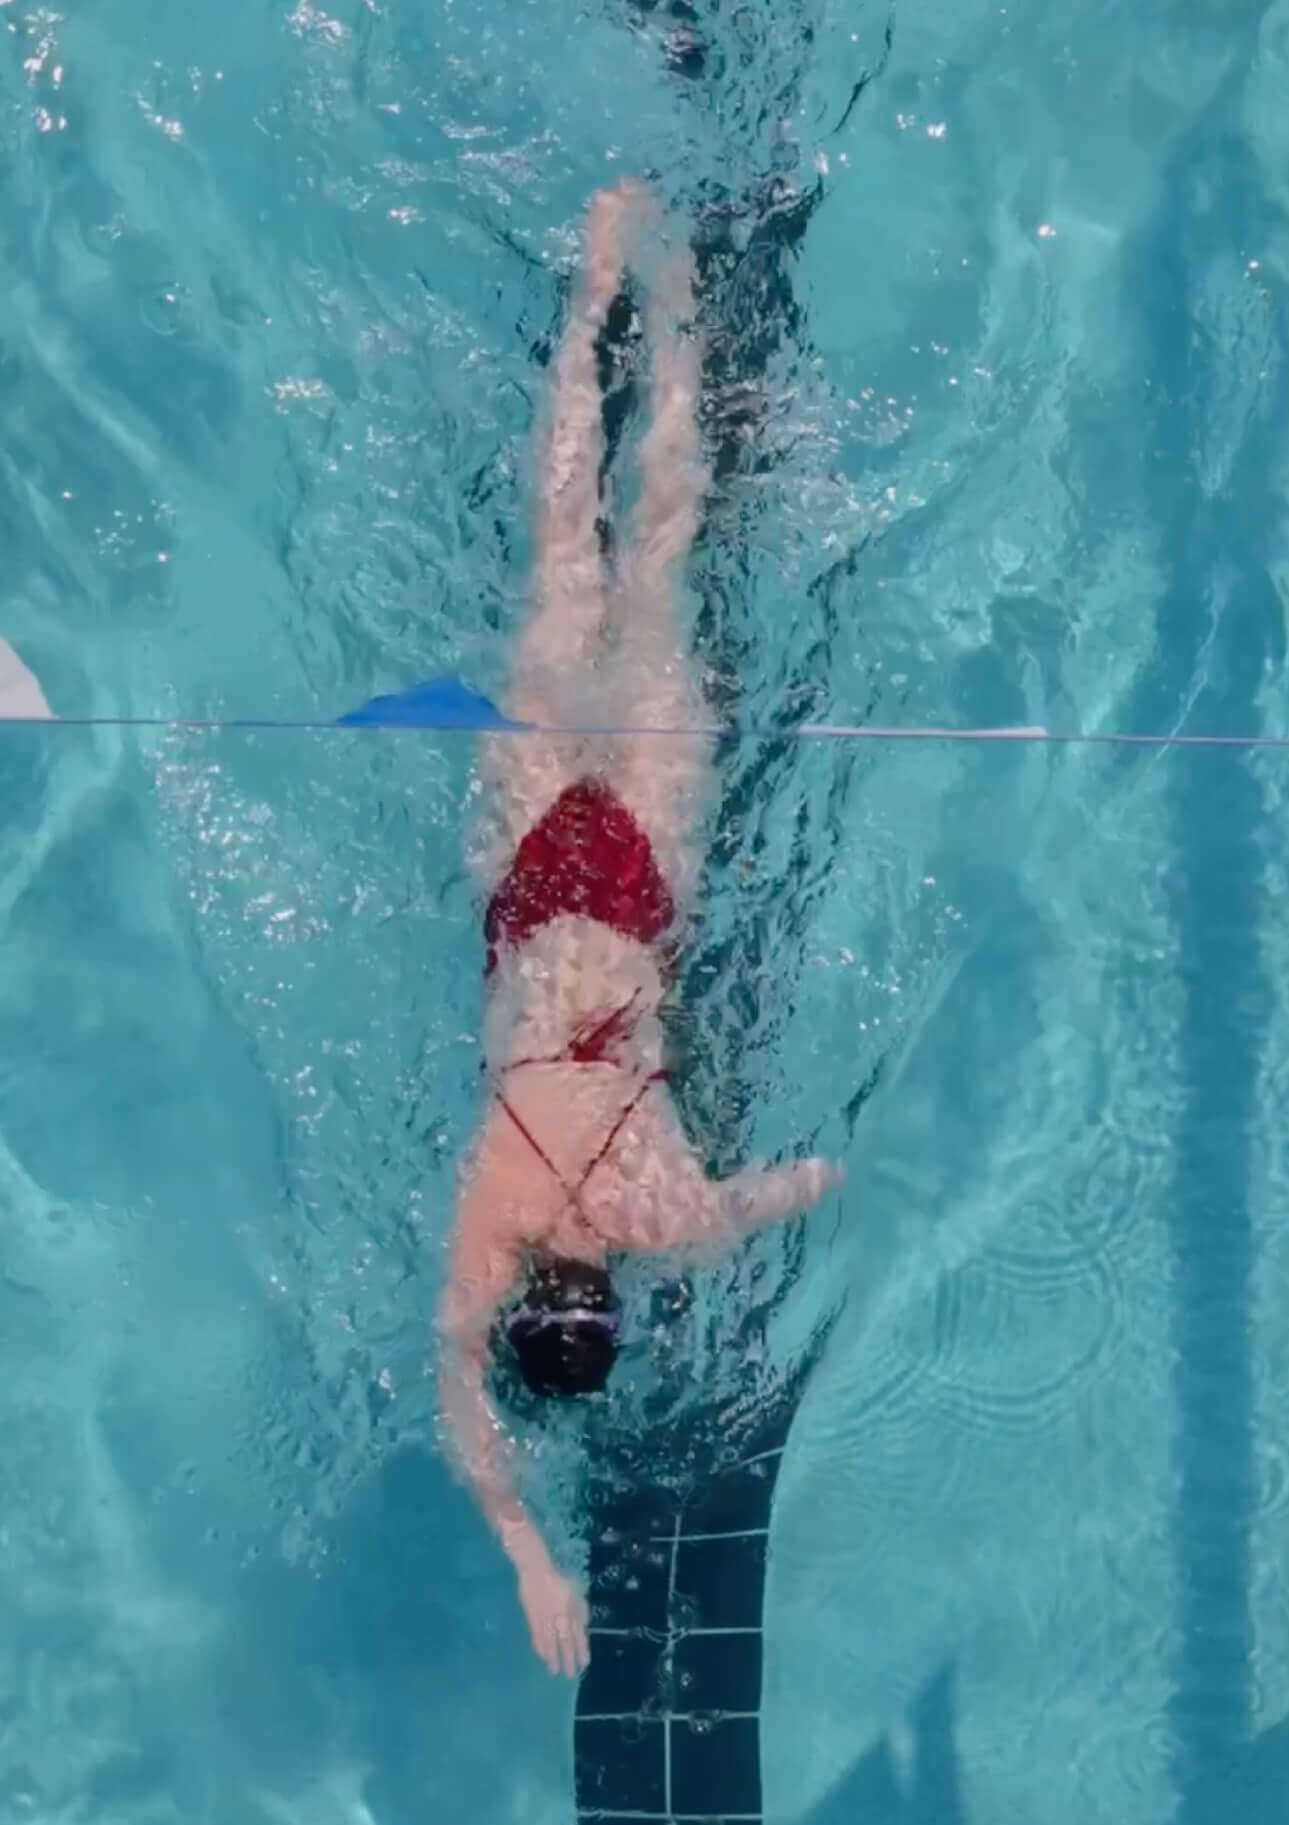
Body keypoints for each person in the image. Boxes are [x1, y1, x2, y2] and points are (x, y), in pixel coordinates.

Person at [436, 180, 842, 1679]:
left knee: (652, 552)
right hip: (536, 873)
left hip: (637, 874)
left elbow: (800, 1185)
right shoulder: (500, 1205)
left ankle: (658, 311)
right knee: (572, 551)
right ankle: (607, 291)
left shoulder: (664, 1218)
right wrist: (523, 1545)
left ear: (597, 1307)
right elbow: (455, 1395)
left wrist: (822, 1183)